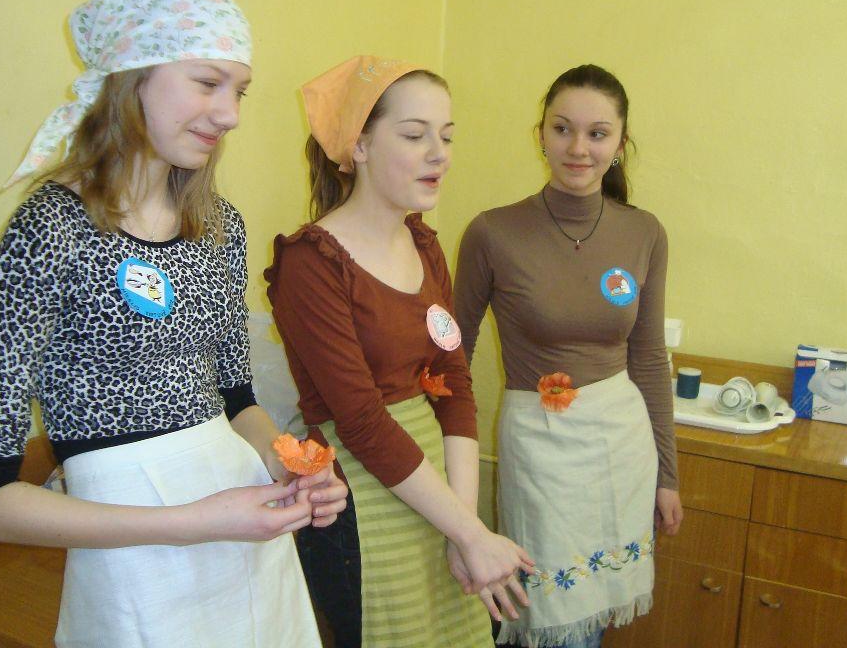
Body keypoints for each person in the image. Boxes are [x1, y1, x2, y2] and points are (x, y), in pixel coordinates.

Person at [0, 0, 346, 648]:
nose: (231, 114)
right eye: (207, 82)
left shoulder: (218, 227)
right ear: (130, 78)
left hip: (244, 532)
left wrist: (288, 464)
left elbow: (238, 402)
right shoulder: (51, 231)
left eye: (240, 90)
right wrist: (195, 522)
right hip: (140, 558)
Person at [264, 56, 533, 648]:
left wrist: (463, 526)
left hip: (439, 490)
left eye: (447, 136)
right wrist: (467, 532)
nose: (440, 154)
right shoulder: (312, 263)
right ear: (359, 145)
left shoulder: (424, 245)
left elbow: (455, 386)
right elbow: (360, 420)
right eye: (415, 136)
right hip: (361, 497)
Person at [455, 64, 683, 648]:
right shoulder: (492, 233)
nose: (579, 148)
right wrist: (449, 478)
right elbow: (455, 357)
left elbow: (649, 358)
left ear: (620, 144)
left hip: (622, 445)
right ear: (541, 134)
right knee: (546, 618)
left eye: (598, 134)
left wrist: (667, 475)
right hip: (540, 449)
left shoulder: (645, 233)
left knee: (592, 622)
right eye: (563, 129)